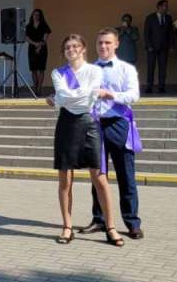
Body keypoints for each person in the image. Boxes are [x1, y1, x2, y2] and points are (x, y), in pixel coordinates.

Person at [47, 35, 125, 247]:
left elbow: (74, 97)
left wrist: (62, 98)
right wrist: (69, 96)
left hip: (89, 123)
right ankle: (67, 226)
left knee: (99, 178)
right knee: (65, 180)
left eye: (75, 46)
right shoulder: (57, 73)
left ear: (83, 49)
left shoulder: (94, 70)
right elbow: (65, 96)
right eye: (67, 47)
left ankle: (110, 227)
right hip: (66, 124)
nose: (71, 49)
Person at [78, 30, 144, 240]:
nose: (103, 46)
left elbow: (133, 95)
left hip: (118, 123)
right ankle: (99, 220)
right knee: (97, 176)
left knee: (126, 174)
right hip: (94, 124)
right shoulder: (87, 70)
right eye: (100, 43)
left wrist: (110, 95)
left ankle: (132, 222)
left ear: (116, 44)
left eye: (107, 42)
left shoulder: (126, 69)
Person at [143, 0, 172, 93]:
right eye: (165, 6)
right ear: (159, 7)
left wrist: (171, 45)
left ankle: (161, 86)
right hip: (152, 47)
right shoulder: (150, 17)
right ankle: (149, 86)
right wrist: (148, 45)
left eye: (167, 6)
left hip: (164, 47)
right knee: (151, 67)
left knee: (163, 68)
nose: (167, 7)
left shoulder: (168, 18)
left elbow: (170, 33)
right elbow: (146, 33)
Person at [25, 9, 52, 91]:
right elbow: (26, 38)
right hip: (32, 48)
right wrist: (35, 44)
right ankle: (35, 87)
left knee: (41, 69)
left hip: (42, 48)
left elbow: (45, 37)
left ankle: (39, 88)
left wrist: (39, 46)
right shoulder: (28, 26)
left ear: (40, 16)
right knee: (33, 69)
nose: (36, 16)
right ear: (32, 16)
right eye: (35, 14)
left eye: (38, 15)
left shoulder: (44, 25)